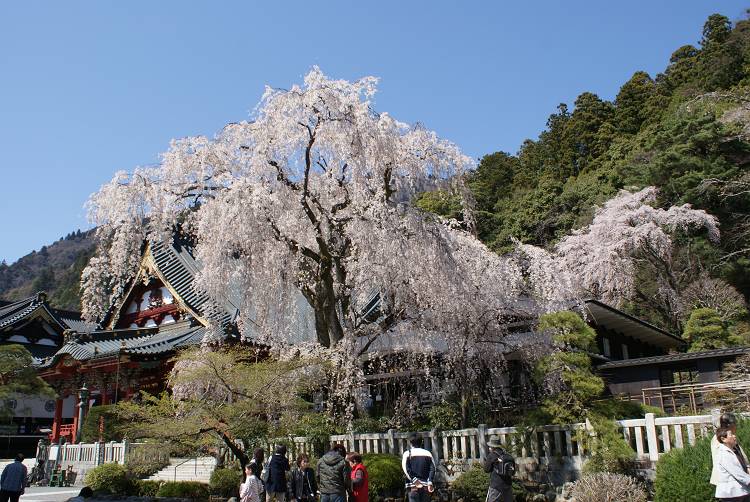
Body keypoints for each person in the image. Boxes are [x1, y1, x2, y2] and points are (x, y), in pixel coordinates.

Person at [713, 413, 750, 487]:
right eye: (735, 423)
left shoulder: (731, 436)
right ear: (729, 425)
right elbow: (727, 461)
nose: (736, 426)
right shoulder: (720, 439)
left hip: (740, 478)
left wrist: (747, 467)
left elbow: (740, 455)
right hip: (729, 482)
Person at [714, 426, 750, 500]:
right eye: (731, 434)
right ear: (723, 439)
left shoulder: (734, 450)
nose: (734, 436)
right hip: (731, 494)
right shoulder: (724, 454)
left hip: (740, 492)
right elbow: (737, 473)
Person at [401, 433, 436, 502]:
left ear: (410, 443)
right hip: (426, 487)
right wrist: (430, 482)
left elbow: (406, 469)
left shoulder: (407, 454)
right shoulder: (427, 453)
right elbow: (433, 469)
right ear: (421, 442)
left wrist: (415, 480)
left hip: (413, 487)